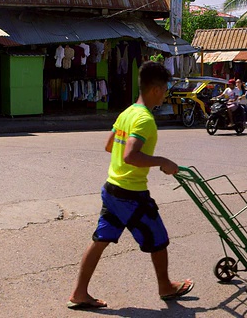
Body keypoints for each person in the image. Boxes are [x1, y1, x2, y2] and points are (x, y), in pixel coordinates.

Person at [67, 61, 192, 310]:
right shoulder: (145, 119)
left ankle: (79, 293)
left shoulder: (128, 112)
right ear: (156, 89)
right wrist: (162, 161)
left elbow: (109, 145)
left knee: (100, 239)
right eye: (165, 88)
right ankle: (165, 286)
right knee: (158, 238)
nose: (166, 93)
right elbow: (130, 156)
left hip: (112, 188)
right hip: (130, 194)